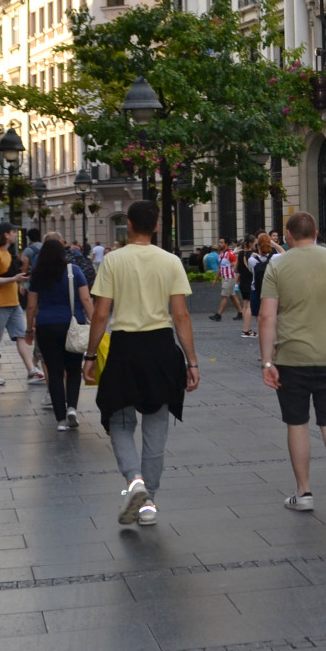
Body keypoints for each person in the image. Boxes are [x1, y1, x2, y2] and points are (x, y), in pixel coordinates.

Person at [83, 200, 198, 527]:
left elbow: (102, 313)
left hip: (124, 347)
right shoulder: (171, 261)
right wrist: (192, 361)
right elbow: (181, 315)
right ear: (156, 226)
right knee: (156, 426)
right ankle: (149, 503)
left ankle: (134, 481)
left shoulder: (113, 261)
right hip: (161, 346)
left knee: (119, 421)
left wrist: (90, 355)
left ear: (129, 225)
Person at [260, 211, 326, 515]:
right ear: (316, 233)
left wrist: (267, 362)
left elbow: (267, 317)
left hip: (292, 357)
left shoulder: (278, 266)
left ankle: (303, 492)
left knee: (297, 423)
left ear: (288, 236)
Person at [26, 235, 91, 430]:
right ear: (63, 253)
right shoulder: (75, 272)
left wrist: (29, 329)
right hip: (72, 325)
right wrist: (95, 322)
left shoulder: (37, 275)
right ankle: (71, 407)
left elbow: (31, 306)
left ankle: (61, 419)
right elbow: (86, 300)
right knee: (73, 370)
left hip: (46, 326)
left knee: (54, 372)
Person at [0, 223, 34, 385]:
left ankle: (31, 370)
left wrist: (19, 279)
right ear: (6, 235)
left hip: (13, 301)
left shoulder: (6, 253)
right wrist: (14, 279)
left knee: (21, 336)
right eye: (13, 232)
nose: (15, 235)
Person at [246, 233, 276, 328]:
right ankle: (271, 330)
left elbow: (251, 271)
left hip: (256, 289)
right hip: (270, 289)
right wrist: (273, 243)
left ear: (257, 245)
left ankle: (262, 332)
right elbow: (284, 253)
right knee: (271, 313)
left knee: (258, 314)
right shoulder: (274, 258)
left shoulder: (251, 260)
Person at [211, 238, 240, 322]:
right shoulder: (221, 254)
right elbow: (220, 268)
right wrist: (215, 279)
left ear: (226, 244)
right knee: (232, 296)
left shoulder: (230, 254)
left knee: (224, 296)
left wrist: (236, 277)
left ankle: (218, 314)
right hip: (225, 278)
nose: (220, 244)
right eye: (219, 242)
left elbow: (235, 266)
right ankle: (240, 312)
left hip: (229, 278)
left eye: (221, 242)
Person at [234, 237, 256, 337]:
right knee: (249, 306)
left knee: (245, 305)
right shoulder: (253, 255)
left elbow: (235, 269)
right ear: (251, 244)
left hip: (242, 282)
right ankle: (246, 330)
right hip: (250, 282)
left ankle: (246, 327)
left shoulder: (241, 254)